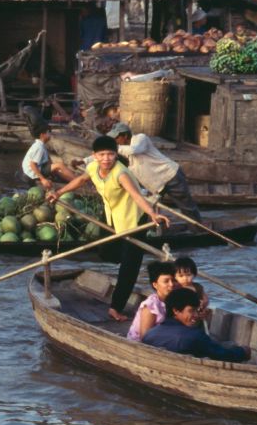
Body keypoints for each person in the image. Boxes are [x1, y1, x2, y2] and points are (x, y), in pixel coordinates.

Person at [48, 135, 169, 323]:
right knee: (106, 252)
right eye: (102, 155)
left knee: (129, 267)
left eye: (110, 154)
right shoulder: (93, 168)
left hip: (133, 221)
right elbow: (80, 181)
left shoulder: (121, 173)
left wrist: (152, 214)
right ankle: (130, 256)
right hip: (111, 217)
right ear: (95, 156)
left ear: (115, 155)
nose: (106, 159)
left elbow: (136, 195)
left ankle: (116, 307)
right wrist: (59, 192)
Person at [109, 121, 203, 221]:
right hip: (157, 184)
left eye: (116, 138)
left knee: (187, 207)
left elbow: (134, 150)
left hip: (171, 176)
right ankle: (148, 231)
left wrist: (112, 147)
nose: (115, 141)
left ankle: (198, 231)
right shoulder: (124, 152)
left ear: (125, 136)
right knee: (145, 207)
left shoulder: (140, 138)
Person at [143, 287, 250, 363]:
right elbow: (223, 356)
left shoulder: (151, 333)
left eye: (196, 311)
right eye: (191, 311)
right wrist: (243, 352)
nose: (196, 315)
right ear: (176, 311)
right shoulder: (195, 336)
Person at [127, 260, 176, 342]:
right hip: (139, 346)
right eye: (166, 281)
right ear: (155, 285)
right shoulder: (151, 306)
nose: (171, 284)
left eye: (174, 280)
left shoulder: (173, 300)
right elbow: (145, 337)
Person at [21, 121, 77, 192]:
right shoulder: (39, 147)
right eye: (48, 133)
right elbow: (32, 165)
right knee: (59, 165)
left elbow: (48, 162)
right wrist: (43, 179)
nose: (50, 134)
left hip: (37, 168)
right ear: (42, 135)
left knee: (57, 166)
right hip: (31, 173)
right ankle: (78, 182)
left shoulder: (41, 145)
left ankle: (72, 180)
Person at [173, 255, 210, 324]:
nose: (185, 278)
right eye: (181, 276)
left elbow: (206, 299)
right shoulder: (176, 289)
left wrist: (204, 306)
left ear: (194, 274)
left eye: (188, 275)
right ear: (175, 276)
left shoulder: (198, 287)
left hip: (197, 317)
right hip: (182, 319)